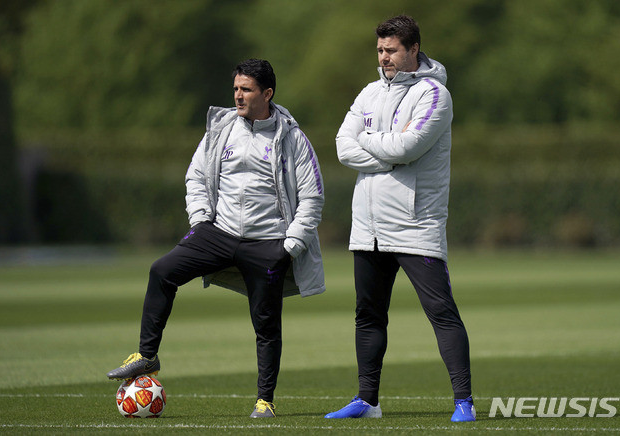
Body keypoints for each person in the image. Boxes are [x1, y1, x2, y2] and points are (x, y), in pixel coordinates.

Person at [106, 58, 325, 419]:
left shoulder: (293, 137)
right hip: (217, 233)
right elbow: (195, 177)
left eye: (246, 89)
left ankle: (265, 400)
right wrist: (200, 221)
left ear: (267, 93)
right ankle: (147, 355)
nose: (238, 95)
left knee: (266, 323)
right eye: (236, 88)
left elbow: (312, 196)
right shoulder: (221, 128)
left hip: (268, 243)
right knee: (162, 270)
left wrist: (289, 245)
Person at [324, 15, 475, 422]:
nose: (384, 57)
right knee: (368, 315)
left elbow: (409, 147)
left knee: (442, 313)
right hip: (368, 227)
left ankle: (464, 402)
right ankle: (367, 400)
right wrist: (387, 154)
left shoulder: (435, 95)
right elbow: (342, 148)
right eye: (379, 50)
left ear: (412, 50)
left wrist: (373, 146)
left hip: (415, 226)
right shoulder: (369, 92)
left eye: (391, 50)